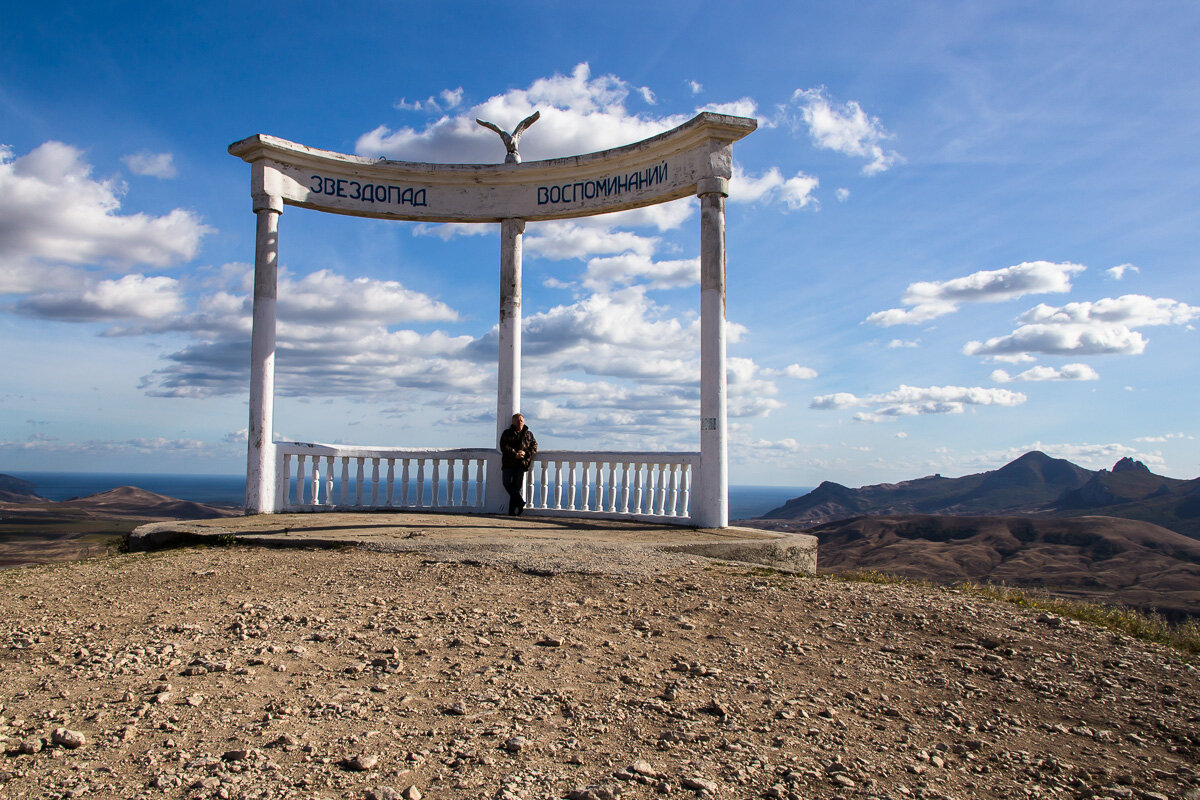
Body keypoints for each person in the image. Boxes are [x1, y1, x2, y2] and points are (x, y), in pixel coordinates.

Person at [499, 412, 537, 516]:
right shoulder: (507, 433)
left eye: (521, 420)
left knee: (516, 487)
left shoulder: (529, 434)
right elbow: (504, 446)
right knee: (506, 483)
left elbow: (534, 447)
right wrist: (514, 454)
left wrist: (525, 453)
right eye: (517, 420)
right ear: (513, 421)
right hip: (508, 463)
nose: (519, 421)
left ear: (524, 421)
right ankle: (520, 502)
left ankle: (512, 511)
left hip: (521, 464)